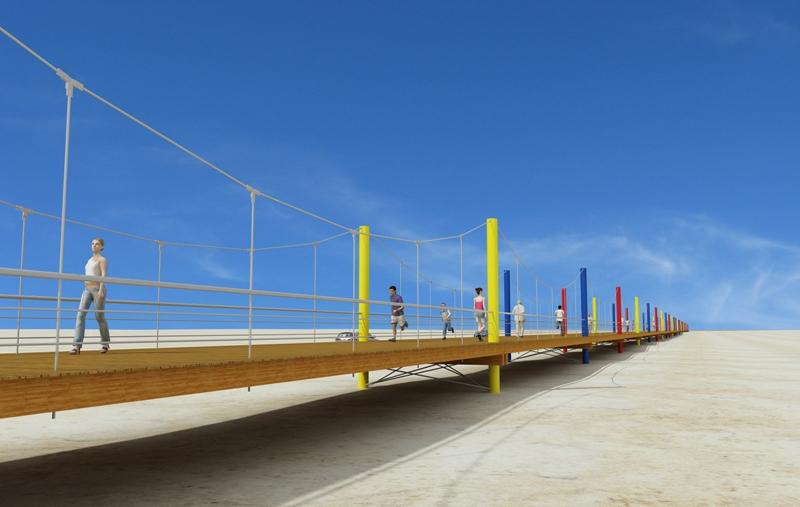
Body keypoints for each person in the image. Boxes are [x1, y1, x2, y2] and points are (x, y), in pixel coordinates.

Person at [71, 237, 110, 355]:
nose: (94, 245)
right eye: (92, 243)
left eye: (97, 244)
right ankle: (76, 346)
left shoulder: (102, 260)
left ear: (102, 247)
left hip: (97, 289)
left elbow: (103, 275)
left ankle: (105, 343)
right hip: (86, 289)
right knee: (80, 315)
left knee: (99, 317)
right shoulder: (88, 260)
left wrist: (101, 290)